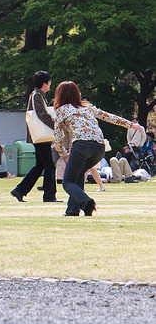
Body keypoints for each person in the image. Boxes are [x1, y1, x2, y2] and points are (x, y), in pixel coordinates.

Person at [53, 81, 136, 216]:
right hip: (100, 148)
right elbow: (108, 116)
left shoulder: (62, 110)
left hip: (81, 145)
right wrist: (130, 125)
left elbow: (57, 137)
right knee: (79, 174)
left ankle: (86, 202)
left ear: (60, 95)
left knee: (67, 182)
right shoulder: (88, 107)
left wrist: (63, 153)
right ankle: (72, 210)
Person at [11, 71, 60, 203]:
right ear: (44, 83)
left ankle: (20, 190)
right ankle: (49, 195)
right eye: (49, 82)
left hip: (40, 137)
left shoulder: (38, 96)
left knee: (41, 166)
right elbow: (42, 114)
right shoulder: (37, 96)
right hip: (40, 137)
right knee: (49, 165)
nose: (50, 84)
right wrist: (56, 126)